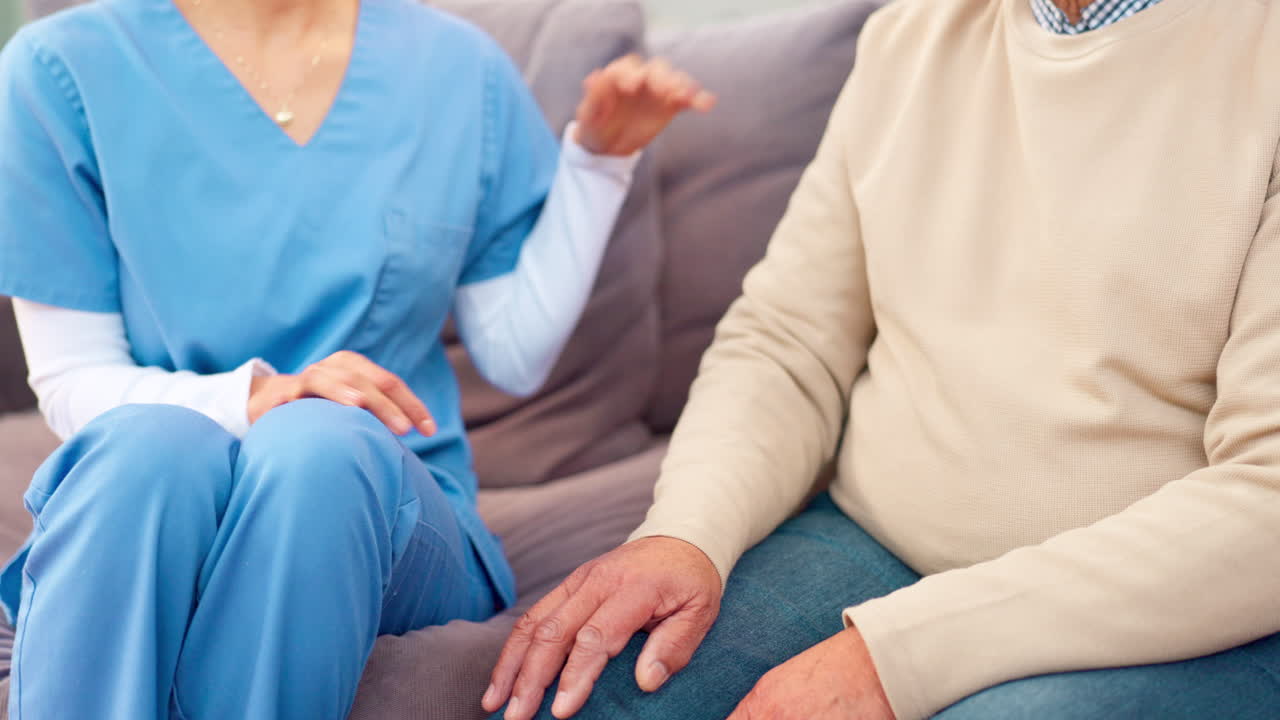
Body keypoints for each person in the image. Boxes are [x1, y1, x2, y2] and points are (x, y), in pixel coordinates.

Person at [482, 0, 1280, 718]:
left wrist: (897, 655)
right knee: (587, 696)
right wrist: (685, 532)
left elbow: (1267, 501)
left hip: (1175, 611)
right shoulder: (908, 37)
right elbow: (787, 342)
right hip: (877, 545)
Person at [0, 0, 715, 717]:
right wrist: (257, 397)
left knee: (316, 443)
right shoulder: (58, 70)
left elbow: (514, 355)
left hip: (383, 503)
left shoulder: (457, 70)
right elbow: (70, 379)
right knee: (143, 451)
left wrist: (597, 166)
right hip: (163, 486)